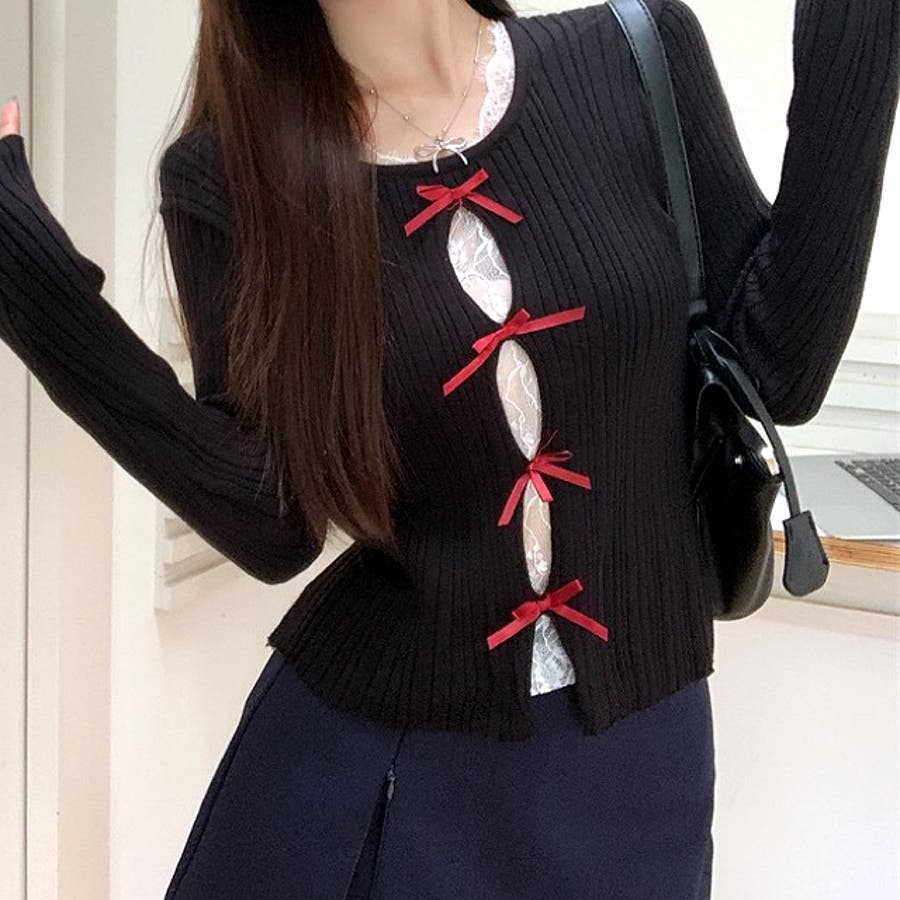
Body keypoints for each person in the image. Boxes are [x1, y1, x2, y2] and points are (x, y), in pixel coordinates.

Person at [0, 0, 896, 897]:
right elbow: (273, 524)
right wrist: (24, 274)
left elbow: (779, 364)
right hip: (372, 769)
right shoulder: (231, 175)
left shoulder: (636, 52)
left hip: (639, 761)